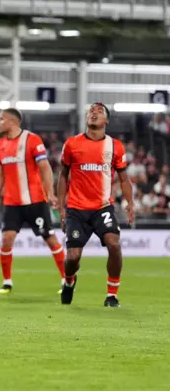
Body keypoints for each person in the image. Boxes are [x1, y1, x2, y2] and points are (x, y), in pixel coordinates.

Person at [0, 108, 66, 294]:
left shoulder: (32, 140)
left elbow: (45, 168)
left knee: (50, 239)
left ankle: (67, 280)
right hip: (12, 202)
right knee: (6, 239)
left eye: (1, 119)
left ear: (12, 122)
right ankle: (7, 282)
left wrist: (50, 193)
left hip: (35, 200)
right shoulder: (0, 145)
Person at [58, 102, 135, 307]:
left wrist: (130, 204)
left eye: (99, 111)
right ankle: (69, 281)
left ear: (106, 120)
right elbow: (63, 175)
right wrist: (60, 207)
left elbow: (124, 179)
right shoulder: (72, 144)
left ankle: (112, 295)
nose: (94, 113)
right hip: (76, 209)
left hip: (102, 208)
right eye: (91, 111)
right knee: (73, 258)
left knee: (114, 244)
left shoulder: (115, 146)